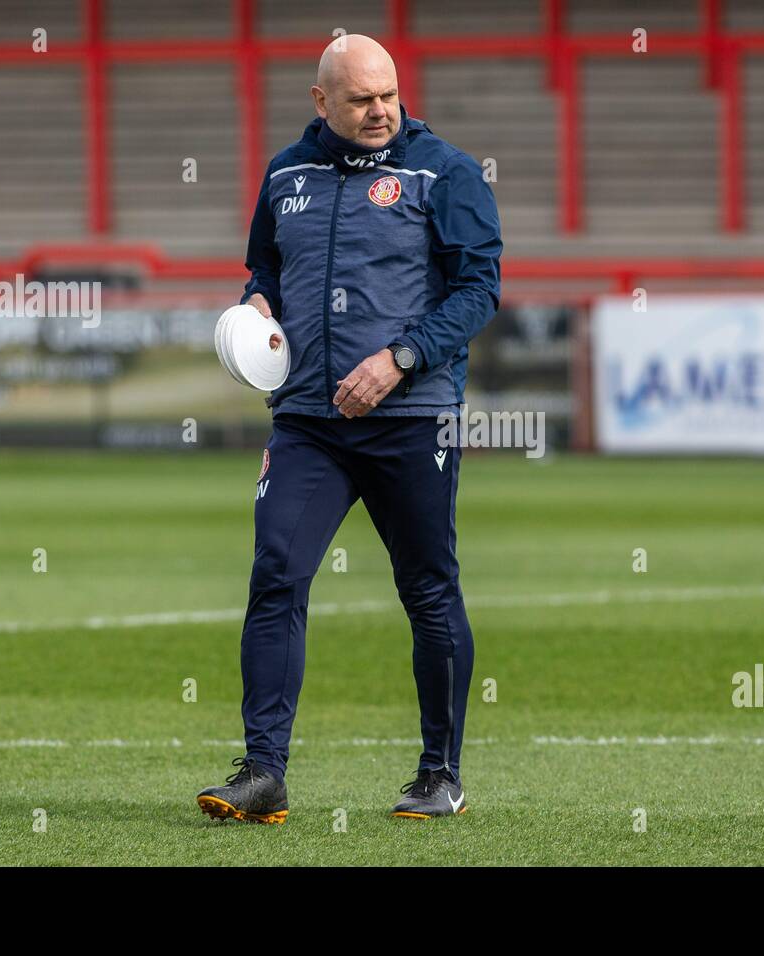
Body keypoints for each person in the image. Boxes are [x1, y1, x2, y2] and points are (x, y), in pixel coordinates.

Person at [195, 33, 502, 823]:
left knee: (428, 593)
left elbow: (479, 290)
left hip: (410, 416)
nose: (380, 112)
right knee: (275, 575)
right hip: (307, 419)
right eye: (362, 98)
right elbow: (265, 268)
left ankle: (441, 775)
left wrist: (400, 358)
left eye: (389, 95)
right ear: (321, 100)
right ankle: (263, 774)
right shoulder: (285, 173)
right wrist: (257, 304)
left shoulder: (446, 171)